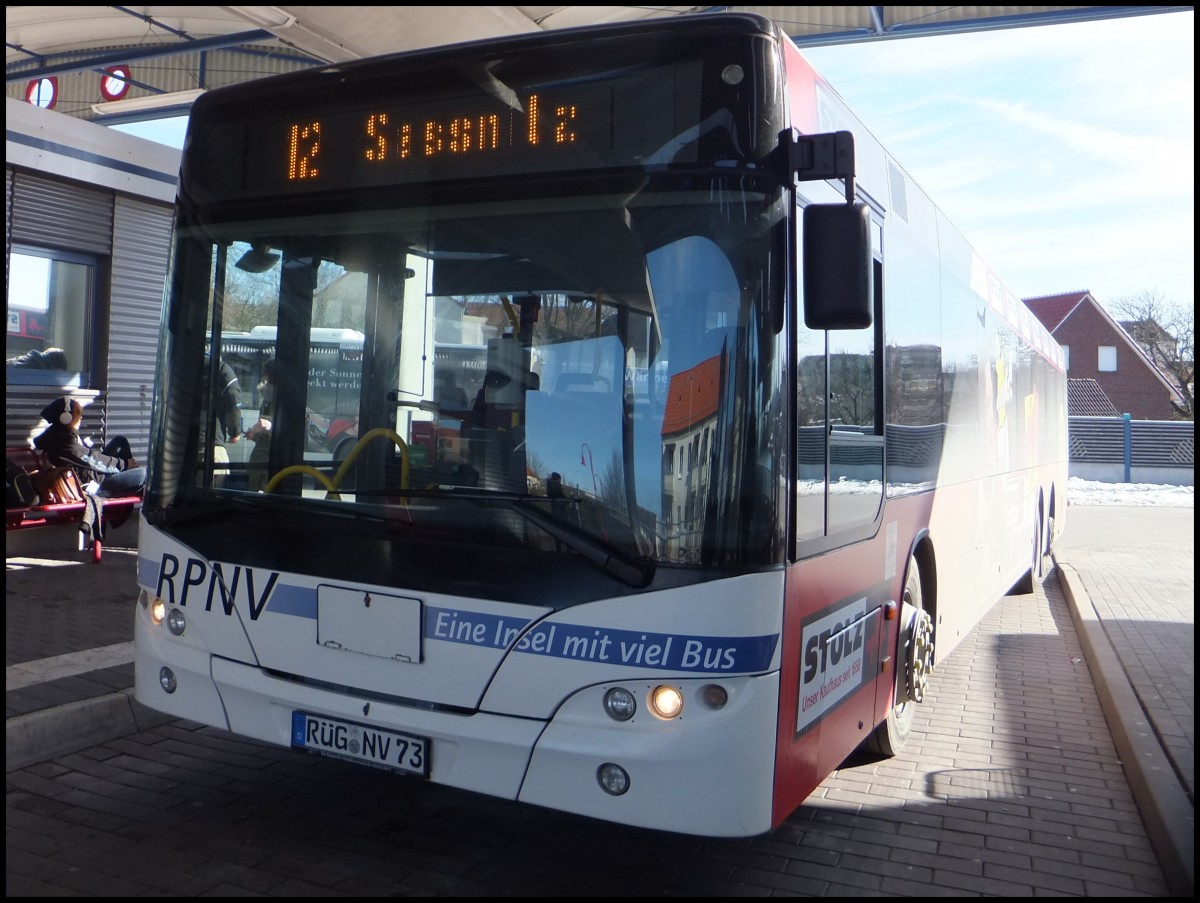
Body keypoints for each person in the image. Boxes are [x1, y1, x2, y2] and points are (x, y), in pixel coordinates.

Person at [32, 396, 146, 497]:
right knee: (143, 474)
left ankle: (127, 480)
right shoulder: (65, 441)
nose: (81, 418)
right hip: (92, 485)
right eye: (78, 415)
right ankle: (133, 488)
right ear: (66, 418)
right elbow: (91, 459)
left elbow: (89, 458)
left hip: (92, 474)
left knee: (120, 441)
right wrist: (123, 464)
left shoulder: (59, 433)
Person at [246, 359, 276, 490]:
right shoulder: (271, 395)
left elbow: (264, 423)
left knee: (254, 484)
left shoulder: (272, 394)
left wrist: (255, 431)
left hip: (266, 450)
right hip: (266, 448)